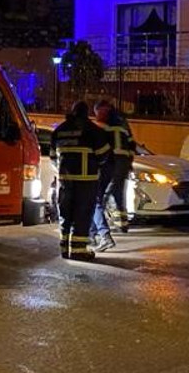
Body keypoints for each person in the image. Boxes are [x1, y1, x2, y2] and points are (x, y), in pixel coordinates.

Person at [52, 100, 111, 261]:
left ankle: (64, 248)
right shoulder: (92, 130)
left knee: (65, 213)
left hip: (64, 181)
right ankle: (78, 251)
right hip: (86, 181)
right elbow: (104, 155)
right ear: (86, 114)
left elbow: (52, 157)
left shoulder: (60, 130)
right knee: (82, 215)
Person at [92, 100, 135, 249]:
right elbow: (131, 143)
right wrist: (129, 162)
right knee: (117, 193)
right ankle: (122, 224)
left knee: (99, 198)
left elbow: (99, 147)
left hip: (111, 163)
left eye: (98, 112)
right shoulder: (122, 124)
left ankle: (99, 232)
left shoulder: (103, 125)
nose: (97, 116)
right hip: (123, 162)